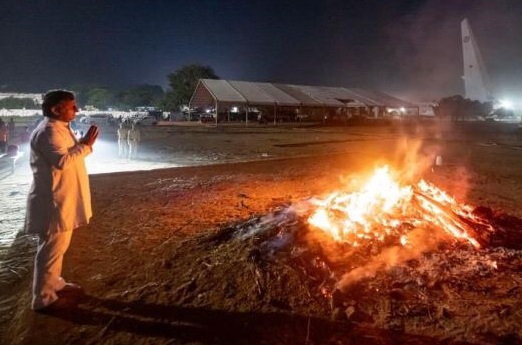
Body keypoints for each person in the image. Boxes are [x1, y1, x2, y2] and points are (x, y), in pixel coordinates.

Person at [24, 90, 99, 312]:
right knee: (51, 248)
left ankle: (54, 283)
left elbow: (72, 155)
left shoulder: (58, 128)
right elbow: (62, 161)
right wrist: (85, 144)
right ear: (56, 109)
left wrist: (84, 145)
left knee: (56, 247)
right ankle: (44, 298)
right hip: (53, 202)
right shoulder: (48, 132)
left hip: (61, 199)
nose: (77, 110)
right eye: (72, 106)